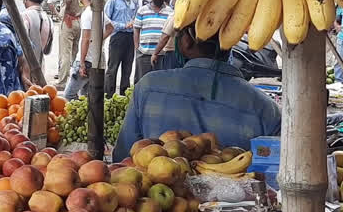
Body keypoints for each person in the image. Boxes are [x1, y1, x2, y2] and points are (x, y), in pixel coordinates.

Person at [113, 24, 282, 160]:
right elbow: (271, 173)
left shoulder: (149, 87)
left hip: (159, 200)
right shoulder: (265, 108)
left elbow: (123, 157)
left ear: (186, 42)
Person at [64, 0, 114, 100]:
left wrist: (81, 63)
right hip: (97, 59)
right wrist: (98, 40)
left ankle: (79, 116)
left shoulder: (87, 14)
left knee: (69, 94)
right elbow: (110, 27)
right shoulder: (99, 12)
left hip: (87, 60)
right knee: (86, 97)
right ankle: (87, 118)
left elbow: (85, 39)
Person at [104, 0, 140, 95]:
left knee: (128, 67)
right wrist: (123, 25)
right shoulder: (113, 1)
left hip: (130, 37)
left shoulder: (135, 1)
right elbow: (106, 20)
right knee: (113, 67)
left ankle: (124, 94)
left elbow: (137, 17)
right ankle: (108, 94)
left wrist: (133, 24)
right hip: (117, 36)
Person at [134, 0, 173, 81]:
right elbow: (136, 29)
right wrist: (137, 47)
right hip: (144, 53)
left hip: (162, 54)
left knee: (159, 82)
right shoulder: (142, 10)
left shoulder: (169, 11)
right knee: (142, 81)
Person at [55, 0, 82, 90]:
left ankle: (62, 83)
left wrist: (64, 10)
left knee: (65, 53)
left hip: (68, 22)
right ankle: (73, 80)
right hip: (78, 22)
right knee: (75, 53)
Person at [21, 0, 53, 69]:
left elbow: (21, 43)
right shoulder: (48, 18)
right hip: (40, 65)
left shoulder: (25, 16)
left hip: (25, 67)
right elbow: (47, 50)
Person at [151, 0, 182, 71]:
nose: (172, 0)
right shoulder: (188, 14)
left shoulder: (175, 15)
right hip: (184, 53)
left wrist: (155, 53)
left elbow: (165, 37)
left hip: (173, 54)